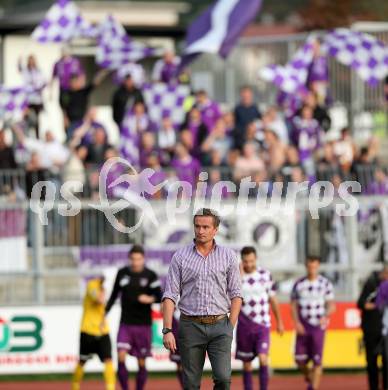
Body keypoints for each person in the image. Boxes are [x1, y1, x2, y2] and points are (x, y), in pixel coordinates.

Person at [162, 208, 242, 390]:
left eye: (206, 227)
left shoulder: (228, 256)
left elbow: (236, 294)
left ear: (216, 230)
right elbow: (169, 295)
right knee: (190, 384)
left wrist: (230, 326)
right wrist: (167, 329)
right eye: (197, 226)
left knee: (223, 379)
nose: (201, 231)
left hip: (220, 325)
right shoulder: (180, 256)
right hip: (190, 326)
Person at [105, 245, 162, 390]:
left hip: (143, 325)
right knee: (121, 355)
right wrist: (104, 313)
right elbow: (114, 295)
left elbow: (160, 296)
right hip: (125, 323)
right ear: (129, 259)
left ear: (143, 259)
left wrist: (149, 299)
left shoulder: (150, 275)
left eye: (138, 259)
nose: (135, 262)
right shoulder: (122, 273)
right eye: (133, 259)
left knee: (141, 362)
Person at [236, 246, 284, 390]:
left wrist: (279, 321)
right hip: (244, 326)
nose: (249, 264)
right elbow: (232, 300)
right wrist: (239, 277)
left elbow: (273, 299)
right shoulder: (237, 277)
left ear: (256, 259)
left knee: (263, 358)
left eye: (251, 261)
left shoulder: (265, 275)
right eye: (245, 261)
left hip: (262, 325)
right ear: (242, 261)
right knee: (247, 363)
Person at [291, 256, 335, 390]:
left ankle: (313, 387)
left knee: (317, 362)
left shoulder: (325, 283)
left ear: (318, 266)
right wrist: (297, 323)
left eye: (315, 267)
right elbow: (293, 305)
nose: (312, 270)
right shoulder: (299, 284)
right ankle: (309, 375)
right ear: (306, 266)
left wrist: (325, 315)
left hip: (318, 326)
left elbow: (331, 305)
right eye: (310, 267)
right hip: (304, 324)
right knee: (299, 360)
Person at [71, 276, 115, 390]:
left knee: (108, 360)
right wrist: (105, 289)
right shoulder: (92, 285)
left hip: (103, 331)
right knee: (82, 361)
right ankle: (75, 386)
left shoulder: (106, 287)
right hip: (88, 330)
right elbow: (99, 299)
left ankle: (111, 388)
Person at [360, 267, 388, 390]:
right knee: (372, 363)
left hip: (385, 332)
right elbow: (361, 303)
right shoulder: (371, 285)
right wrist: (376, 305)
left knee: (386, 362)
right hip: (371, 330)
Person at [62, 70, 109, 139]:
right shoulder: (67, 94)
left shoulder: (83, 92)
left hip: (82, 122)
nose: (74, 83)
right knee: (71, 139)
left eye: (76, 81)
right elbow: (64, 108)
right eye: (72, 82)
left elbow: (95, 83)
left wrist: (102, 73)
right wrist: (65, 119)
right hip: (71, 123)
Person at [18, 55, 46, 138]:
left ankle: (37, 137)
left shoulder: (39, 71)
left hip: (37, 100)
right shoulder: (26, 71)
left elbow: (44, 82)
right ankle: (26, 137)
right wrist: (19, 61)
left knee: (37, 120)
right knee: (27, 119)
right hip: (28, 100)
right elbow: (20, 69)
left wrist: (39, 89)